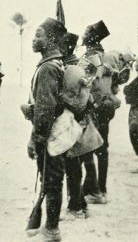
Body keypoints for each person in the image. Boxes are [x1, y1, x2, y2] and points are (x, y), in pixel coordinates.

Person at [27, 18, 66, 241]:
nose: (34, 39)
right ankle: (50, 227)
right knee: (51, 178)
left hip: (49, 134)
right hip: (56, 132)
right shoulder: (54, 63)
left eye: (39, 35)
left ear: (51, 39)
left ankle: (52, 230)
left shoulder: (48, 68)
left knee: (51, 180)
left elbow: (45, 109)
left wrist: (36, 139)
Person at [81, 20, 118, 205]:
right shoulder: (108, 56)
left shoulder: (90, 57)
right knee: (102, 149)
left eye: (86, 32)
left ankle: (94, 190)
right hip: (106, 107)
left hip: (93, 108)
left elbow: (88, 83)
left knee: (88, 148)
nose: (83, 34)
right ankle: (100, 188)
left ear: (92, 37)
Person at [60, 32, 88, 219]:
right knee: (73, 164)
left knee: (71, 165)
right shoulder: (76, 65)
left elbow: (71, 98)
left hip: (71, 120)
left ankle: (76, 206)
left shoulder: (71, 69)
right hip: (77, 120)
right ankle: (80, 203)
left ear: (66, 47)